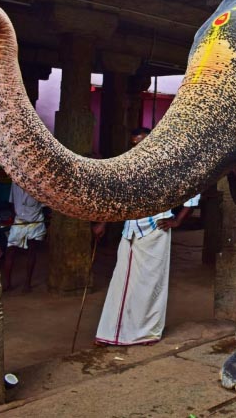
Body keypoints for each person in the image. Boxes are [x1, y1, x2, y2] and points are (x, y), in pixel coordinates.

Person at [94, 127, 200, 346]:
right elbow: (119, 198)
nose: (137, 146)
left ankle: (148, 333)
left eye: (141, 141)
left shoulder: (168, 167)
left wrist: (177, 220)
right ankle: (111, 333)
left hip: (155, 231)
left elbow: (193, 189)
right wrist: (103, 222)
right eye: (134, 143)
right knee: (121, 283)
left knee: (150, 284)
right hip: (130, 231)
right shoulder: (130, 167)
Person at [3, 182, 47, 292]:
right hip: (19, 220)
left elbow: (44, 205)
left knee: (32, 250)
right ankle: (8, 284)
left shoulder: (38, 184)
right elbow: (12, 202)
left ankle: (27, 284)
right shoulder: (15, 183)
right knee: (10, 250)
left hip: (35, 221)